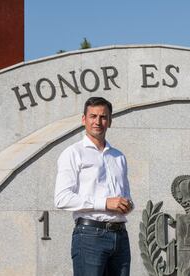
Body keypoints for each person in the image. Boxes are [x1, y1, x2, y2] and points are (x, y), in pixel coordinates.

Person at [54, 97, 133, 276]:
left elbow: (125, 194)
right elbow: (61, 198)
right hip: (89, 236)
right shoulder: (73, 153)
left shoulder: (118, 156)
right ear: (84, 120)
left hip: (120, 236)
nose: (98, 121)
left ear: (110, 121)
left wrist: (127, 205)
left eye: (103, 117)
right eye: (93, 116)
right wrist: (104, 203)